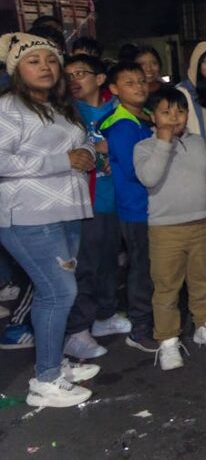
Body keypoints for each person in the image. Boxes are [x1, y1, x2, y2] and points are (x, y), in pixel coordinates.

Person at [0, 32, 100, 407]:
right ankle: (45, 380)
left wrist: (87, 151)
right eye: (34, 61)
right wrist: (62, 161)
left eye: (51, 60)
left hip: (66, 210)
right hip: (28, 215)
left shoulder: (60, 106)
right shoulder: (8, 107)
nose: (45, 66)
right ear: (16, 69)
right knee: (60, 292)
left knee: (54, 293)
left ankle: (53, 362)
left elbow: (76, 143)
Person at [133, 86, 206, 370]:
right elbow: (149, 178)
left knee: (201, 281)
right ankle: (168, 340)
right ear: (152, 117)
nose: (175, 117)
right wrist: (164, 141)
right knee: (166, 287)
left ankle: (204, 324)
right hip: (165, 230)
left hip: (200, 223)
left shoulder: (197, 142)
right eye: (166, 112)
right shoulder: (144, 147)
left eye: (180, 111)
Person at [63, 55, 131, 360]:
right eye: (69, 75)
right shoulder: (66, 113)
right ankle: (77, 329)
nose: (74, 80)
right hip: (84, 199)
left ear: (100, 79)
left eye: (81, 73)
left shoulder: (117, 108)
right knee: (85, 266)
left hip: (115, 197)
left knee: (108, 261)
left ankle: (104, 316)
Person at [101, 62, 158, 352]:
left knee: (152, 268)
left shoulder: (143, 118)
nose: (139, 87)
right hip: (136, 209)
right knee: (142, 269)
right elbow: (137, 171)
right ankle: (140, 328)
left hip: (151, 207)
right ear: (113, 89)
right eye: (129, 82)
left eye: (141, 81)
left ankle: (152, 321)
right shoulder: (122, 126)